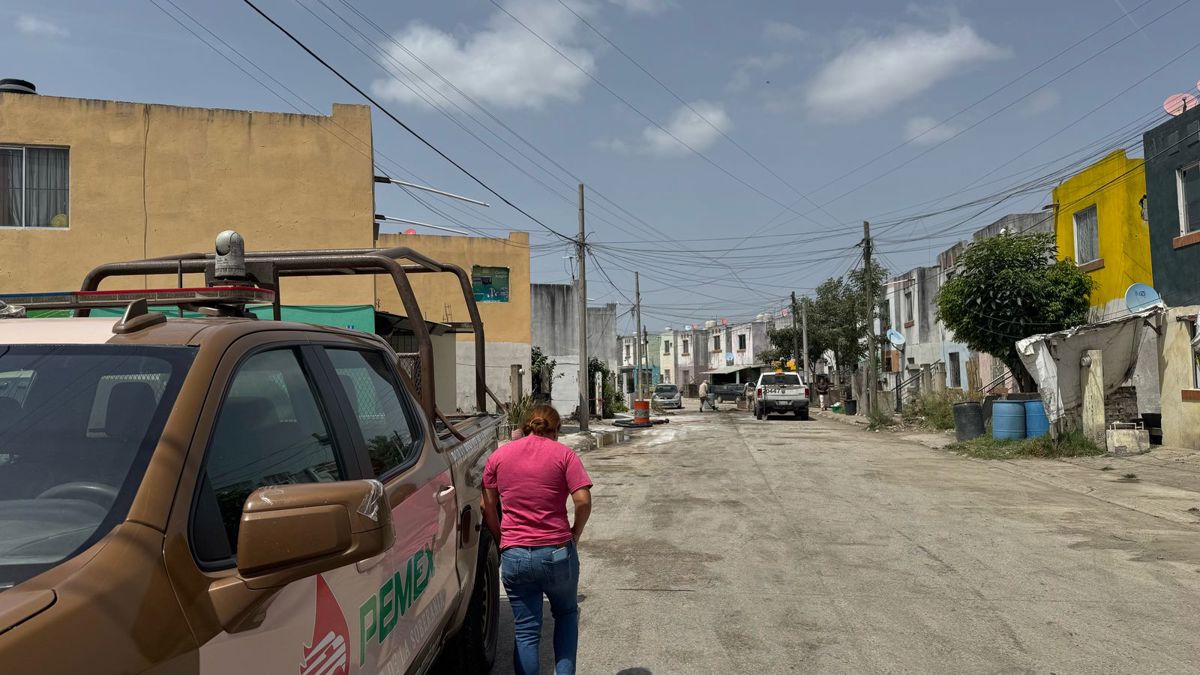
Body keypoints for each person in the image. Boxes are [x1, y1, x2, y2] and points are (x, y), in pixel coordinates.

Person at [482, 404, 593, 675]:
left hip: (515, 554)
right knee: (566, 615)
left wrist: (501, 537)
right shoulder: (564, 455)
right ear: (555, 430)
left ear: (526, 425)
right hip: (556, 552)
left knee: (526, 631)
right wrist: (575, 532)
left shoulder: (500, 456)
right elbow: (582, 500)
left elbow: (487, 504)